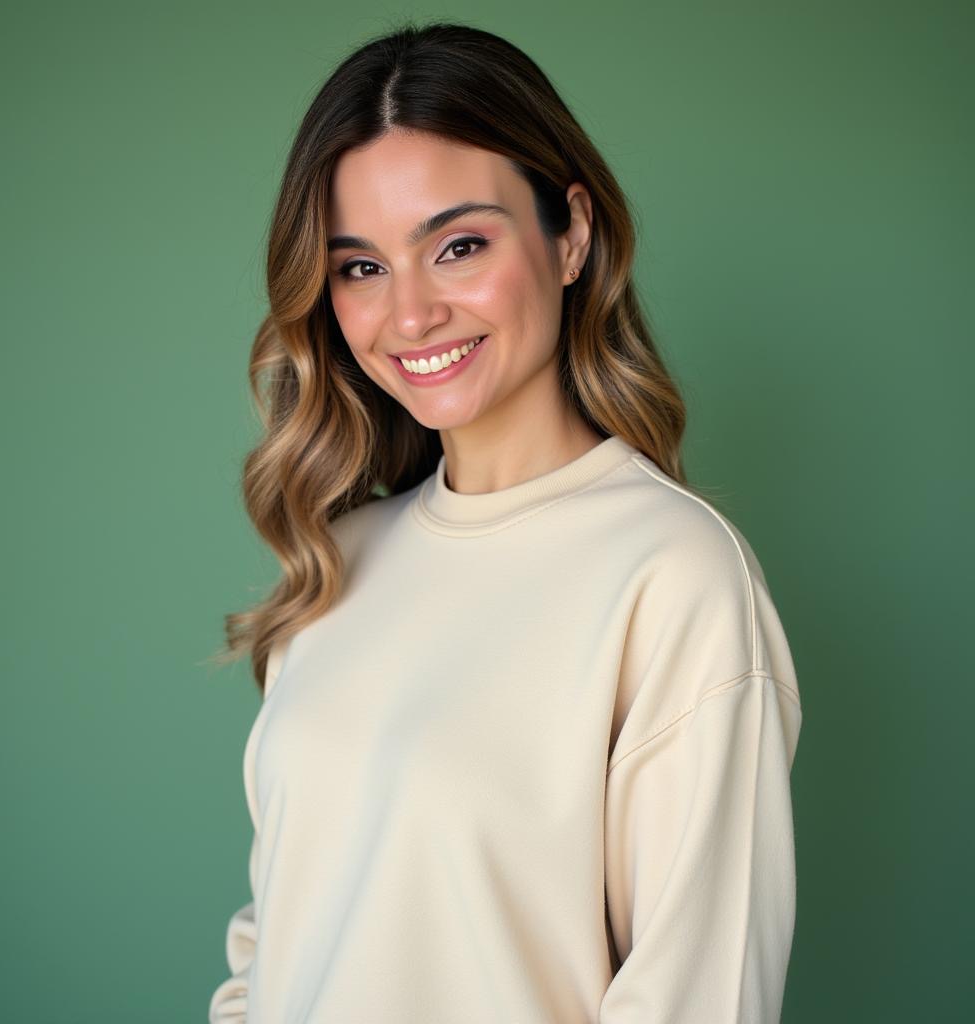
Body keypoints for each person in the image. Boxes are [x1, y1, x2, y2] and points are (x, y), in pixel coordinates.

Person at [208, 19, 803, 1024]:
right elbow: (277, 947)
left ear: (569, 234)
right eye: (360, 267)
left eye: (458, 246)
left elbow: (695, 999)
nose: (409, 314)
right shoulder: (337, 561)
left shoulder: (674, 577)